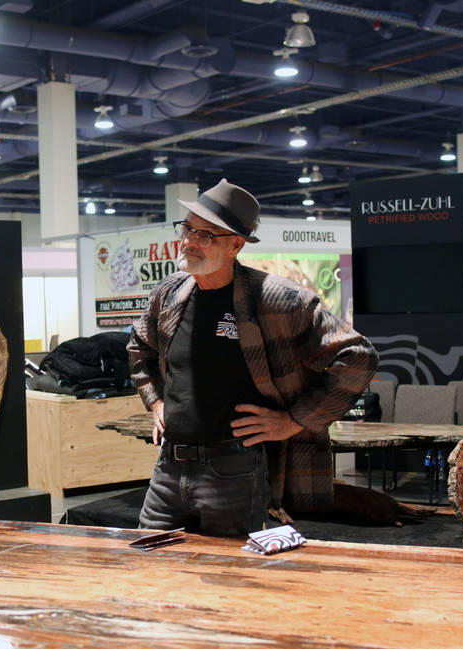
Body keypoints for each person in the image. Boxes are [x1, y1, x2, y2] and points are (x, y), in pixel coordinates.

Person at [127, 179, 378, 536]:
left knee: (230, 580)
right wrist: (155, 403)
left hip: (233, 471)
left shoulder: (276, 300)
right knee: (150, 569)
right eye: (188, 229)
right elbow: (139, 346)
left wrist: (294, 421)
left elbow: (358, 356)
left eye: (206, 235)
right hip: (168, 468)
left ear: (236, 245)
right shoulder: (170, 293)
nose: (189, 242)